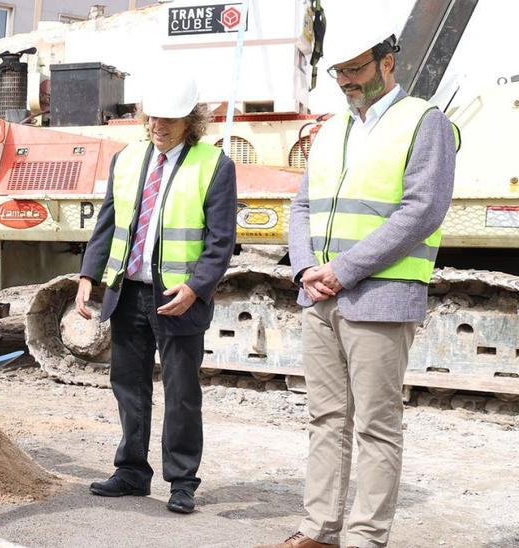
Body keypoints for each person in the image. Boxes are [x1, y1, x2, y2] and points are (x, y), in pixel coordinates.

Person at [259, 3, 457, 547]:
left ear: (387, 62)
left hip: (380, 296)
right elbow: (302, 206)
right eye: (338, 71)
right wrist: (303, 269)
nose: (346, 80)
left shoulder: (425, 121)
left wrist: (342, 271)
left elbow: (422, 212)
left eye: (356, 68)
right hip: (319, 298)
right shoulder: (329, 130)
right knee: (325, 419)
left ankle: (366, 538)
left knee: (376, 425)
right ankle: (318, 530)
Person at [76, 71, 237, 515]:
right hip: (128, 293)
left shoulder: (214, 164)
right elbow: (108, 222)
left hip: (178, 297)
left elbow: (221, 240)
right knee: (128, 385)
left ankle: (182, 481)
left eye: (169, 119)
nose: (158, 127)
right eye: (152, 118)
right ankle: (131, 472)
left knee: (181, 392)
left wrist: (196, 286)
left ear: (191, 121)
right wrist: (89, 275)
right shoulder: (127, 160)